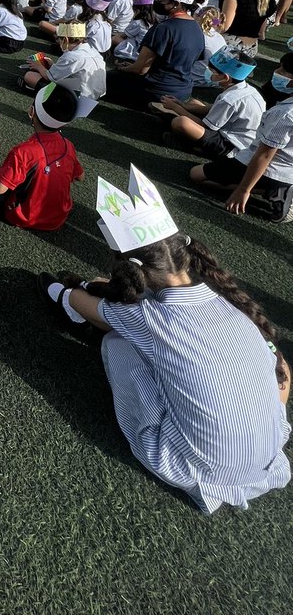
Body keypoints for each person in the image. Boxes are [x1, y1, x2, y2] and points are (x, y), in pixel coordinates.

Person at [38, 172, 290, 513]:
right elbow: (283, 372)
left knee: (118, 344)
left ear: (132, 268)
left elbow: (86, 303)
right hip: (266, 458)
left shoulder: (149, 318)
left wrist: (65, 292)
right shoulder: (231, 307)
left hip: (191, 466)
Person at [191, 53, 293, 222]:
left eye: (283, 70)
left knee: (196, 174)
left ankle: (273, 189)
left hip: (271, 167)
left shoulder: (285, 114)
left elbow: (264, 155)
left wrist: (243, 190)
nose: (276, 72)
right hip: (287, 167)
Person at [0, 83, 83, 230]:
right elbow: (81, 176)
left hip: (24, 216)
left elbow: (0, 188)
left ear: (31, 111)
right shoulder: (69, 145)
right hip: (58, 218)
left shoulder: (24, 151)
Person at [106, 0, 205, 110]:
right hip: (183, 90)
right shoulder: (197, 28)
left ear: (176, 4)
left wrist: (124, 68)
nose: (156, 3)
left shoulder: (163, 28)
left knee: (105, 80)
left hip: (157, 90)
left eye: (160, 0)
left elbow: (140, 69)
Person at [162, 49, 264, 157]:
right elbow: (213, 108)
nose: (208, 72)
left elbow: (204, 126)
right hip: (241, 138)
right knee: (194, 102)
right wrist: (183, 106)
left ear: (225, 77)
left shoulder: (229, 99)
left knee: (180, 122)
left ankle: (193, 146)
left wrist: (176, 108)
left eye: (212, 71)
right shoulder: (248, 90)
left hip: (231, 146)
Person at [21, 21, 106, 110]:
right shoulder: (94, 52)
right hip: (93, 99)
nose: (58, 42)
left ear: (65, 40)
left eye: (59, 39)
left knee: (29, 76)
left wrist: (38, 66)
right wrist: (52, 66)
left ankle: (45, 95)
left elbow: (48, 77)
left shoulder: (71, 56)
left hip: (75, 101)